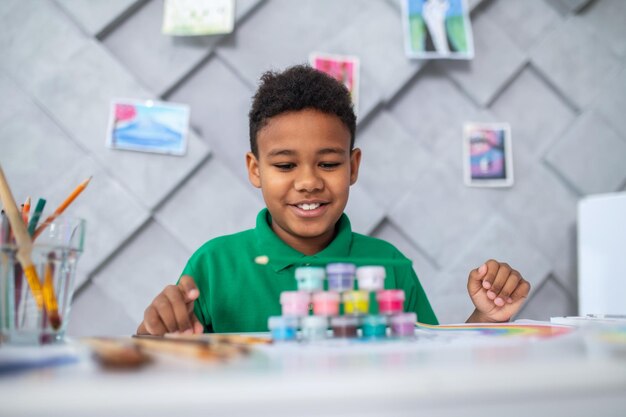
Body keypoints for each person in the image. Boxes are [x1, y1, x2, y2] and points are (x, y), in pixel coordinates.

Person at [137, 65, 530, 335]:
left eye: (327, 163)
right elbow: (157, 364)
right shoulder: (213, 266)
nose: (308, 182)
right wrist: (156, 335)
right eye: (286, 165)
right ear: (255, 170)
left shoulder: (389, 266)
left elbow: (430, 367)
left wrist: (486, 317)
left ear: (353, 166)